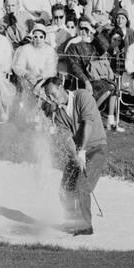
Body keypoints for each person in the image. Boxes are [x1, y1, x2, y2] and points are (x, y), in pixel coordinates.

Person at [42, 77, 107, 236]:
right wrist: (76, 156)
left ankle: (85, 226)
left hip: (97, 148)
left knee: (82, 187)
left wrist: (82, 151)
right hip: (79, 152)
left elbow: (88, 124)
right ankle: (72, 221)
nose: (51, 99)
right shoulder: (58, 115)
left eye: (52, 94)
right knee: (65, 188)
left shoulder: (82, 96)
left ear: (61, 87)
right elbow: (66, 138)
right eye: (48, 96)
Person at [12, 23, 58, 101]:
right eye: (35, 37)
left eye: (41, 37)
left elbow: (51, 70)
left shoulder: (50, 51)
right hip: (27, 81)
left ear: (45, 37)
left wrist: (40, 80)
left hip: (44, 81)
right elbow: (18, 66)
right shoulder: (25, 49)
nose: (38, 39)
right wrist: (26, 74)